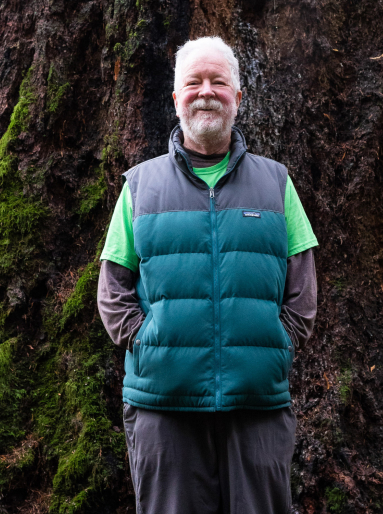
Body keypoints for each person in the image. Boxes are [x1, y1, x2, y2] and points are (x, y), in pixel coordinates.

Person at [96, 36, 319, 514]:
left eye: (219, 81)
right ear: (175, 99)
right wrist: (149, 341)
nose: (206, 91)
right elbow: (112, 292)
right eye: (193, 82)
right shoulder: (140, 186)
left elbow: (303, 289)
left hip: (257, 403)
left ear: (237, 98)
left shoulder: (276, 183)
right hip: (163, 405)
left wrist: (277, 340)